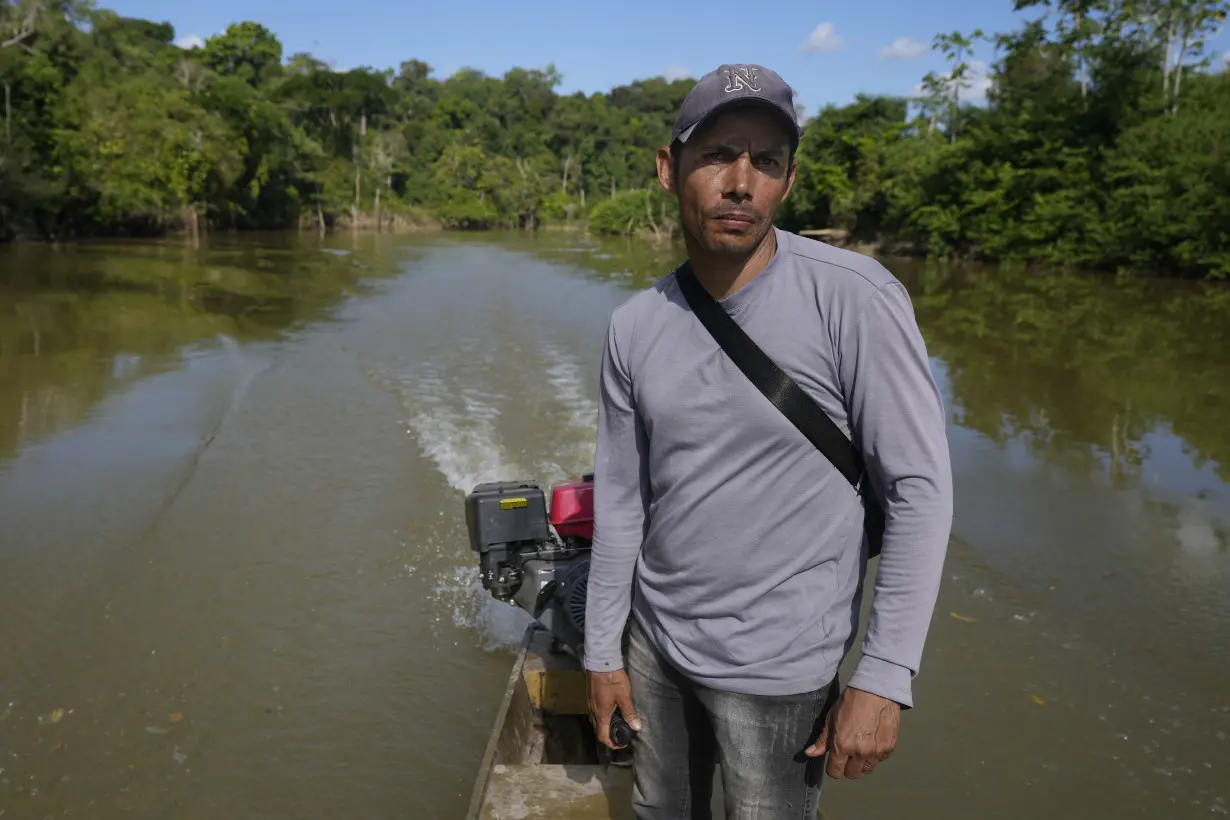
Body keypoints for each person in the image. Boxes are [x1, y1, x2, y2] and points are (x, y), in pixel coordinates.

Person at [583, 63, 954, 818]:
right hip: (655, 648)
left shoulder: (856, 298)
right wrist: (601, 653)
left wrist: (884, 676)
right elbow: (620, 501)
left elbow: (919, 490)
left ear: (787, 180)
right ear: (669, 168)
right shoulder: (635, 326)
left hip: (782, 668)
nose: (741, 182)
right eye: (718, 154)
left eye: (767, 161)